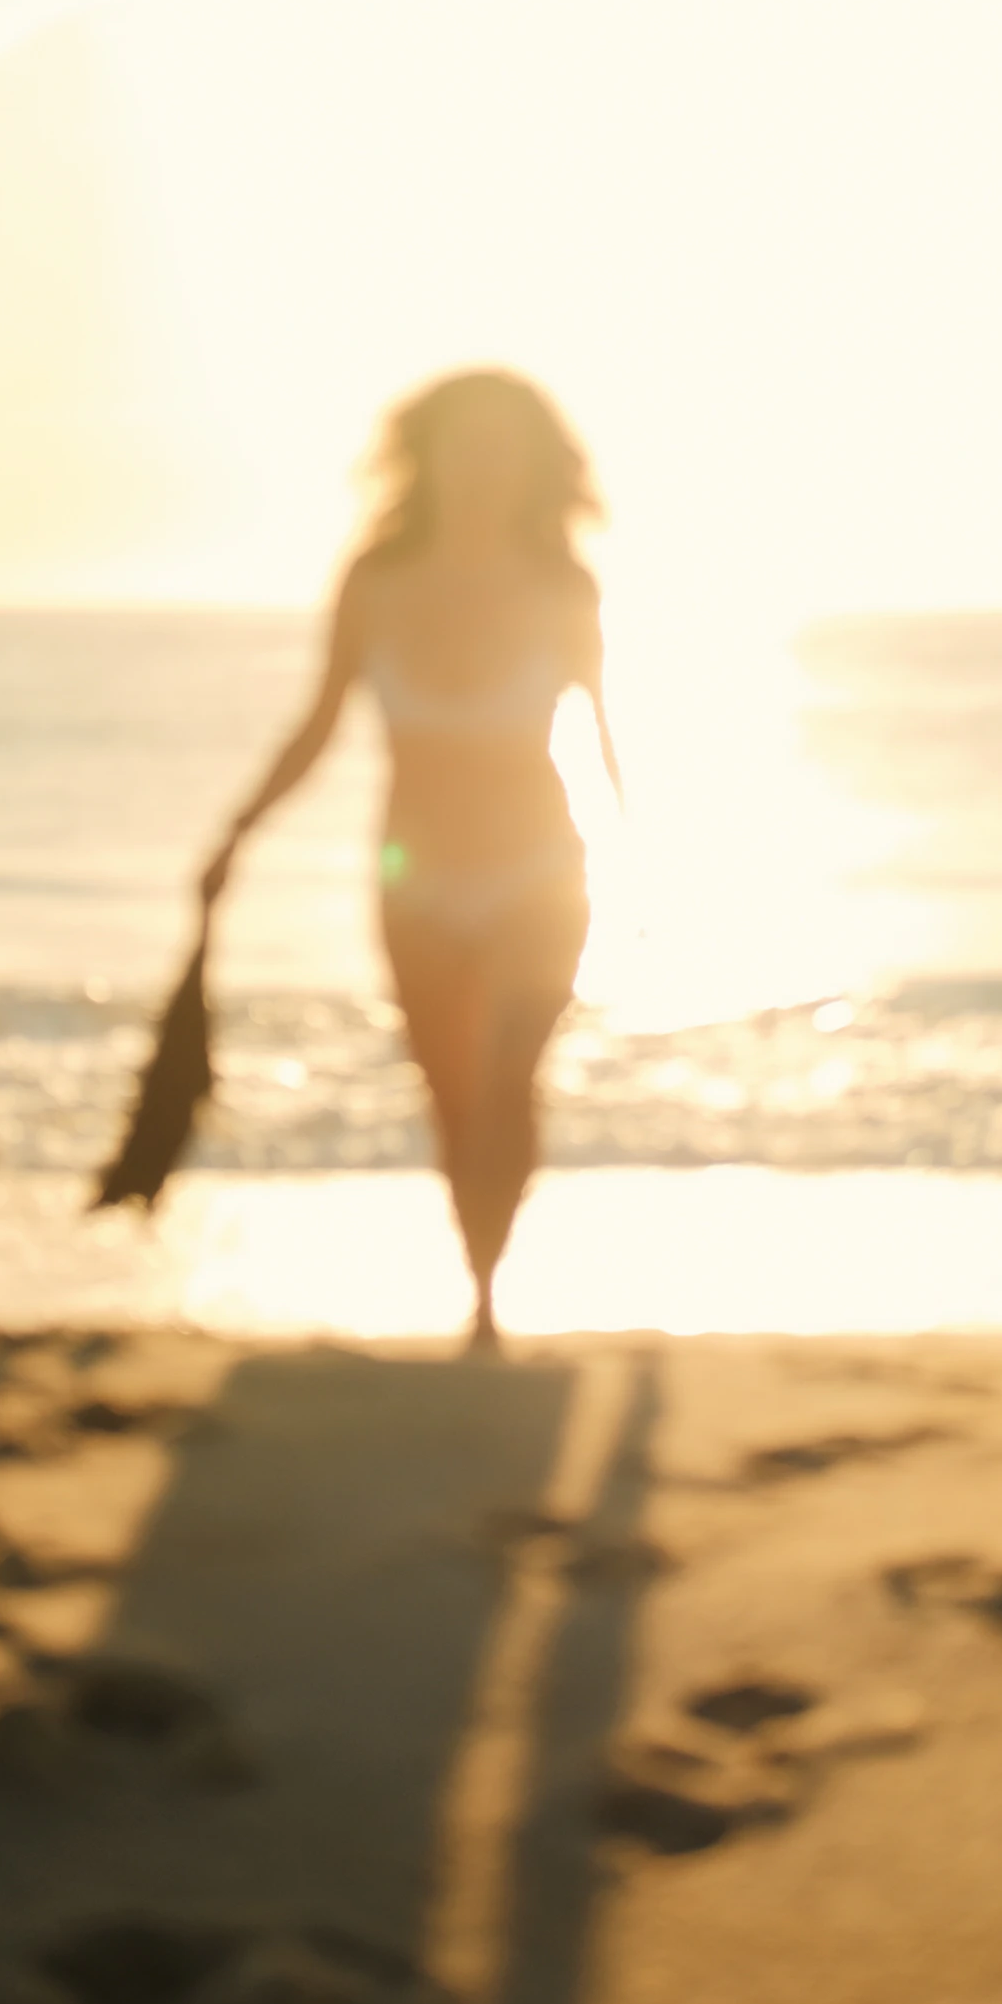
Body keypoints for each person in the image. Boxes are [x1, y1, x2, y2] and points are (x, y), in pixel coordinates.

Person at [199, 369, 621, 1349]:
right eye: (463, 445)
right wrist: (237, 835)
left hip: (541, 875)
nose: (482, 466)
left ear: (531, 467)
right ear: (426, 457)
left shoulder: (565, 586)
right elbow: (315, 726)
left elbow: (605, 737)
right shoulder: (375, 581)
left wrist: (644, 865)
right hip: (414, 877)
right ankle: (479, 1281)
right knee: (453, 1092)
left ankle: (486, 1302)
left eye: (502, 448)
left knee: (512, 1076)